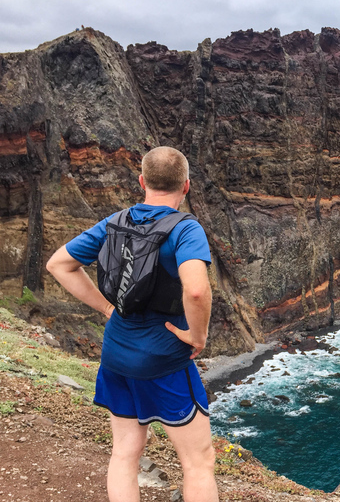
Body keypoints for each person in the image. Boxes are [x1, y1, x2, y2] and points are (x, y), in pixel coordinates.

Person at [47, 146, 218, 502]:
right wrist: (197, 335)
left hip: (116, 356)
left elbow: (59, 264)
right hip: (164, 359)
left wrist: (107, 308)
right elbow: (198, 291)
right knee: (198, 462)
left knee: (125, 452)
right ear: (186, 186)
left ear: (142, 181)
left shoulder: (114, 222)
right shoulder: (185, 230)